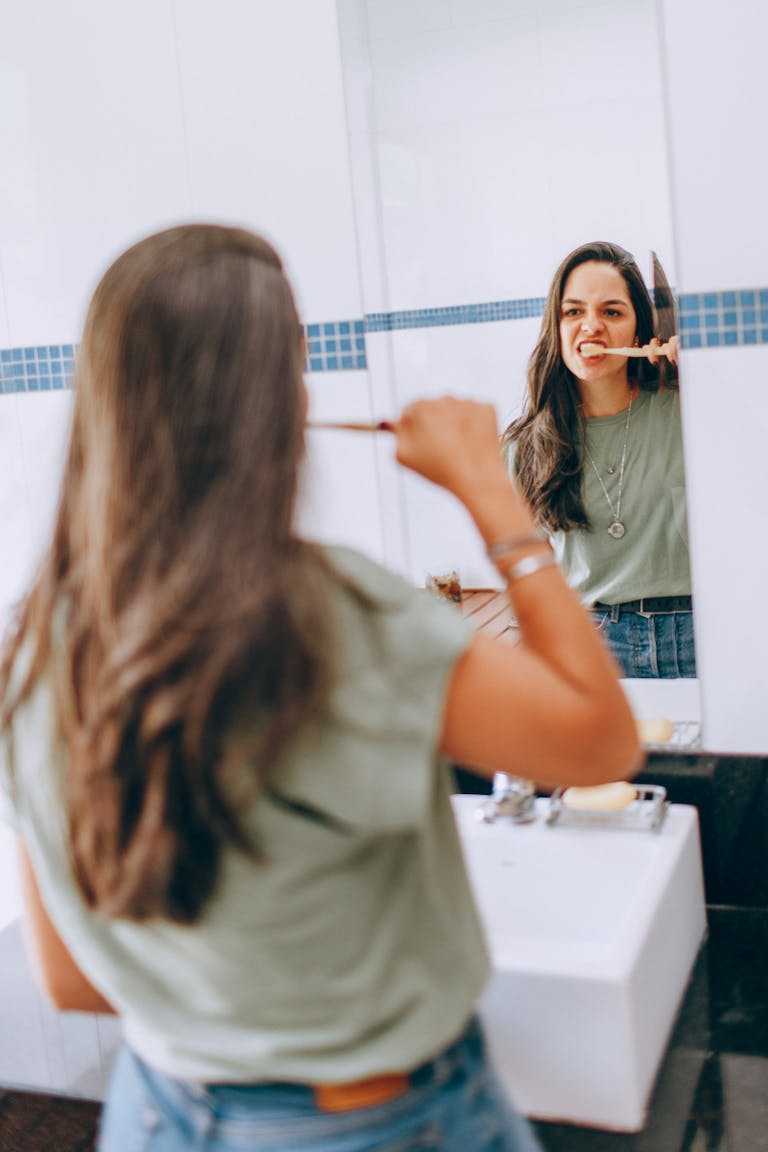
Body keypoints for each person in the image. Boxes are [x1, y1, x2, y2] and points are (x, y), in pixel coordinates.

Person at [0, 224, 639, 1152]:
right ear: (270, 402)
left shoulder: (29, 654)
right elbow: (600, 744)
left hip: (156, 1116)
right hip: (376, 1125)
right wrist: (488, 495)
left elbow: (70, 981)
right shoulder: (334, 620)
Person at [502, 240, 695, 679]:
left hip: (701, 633)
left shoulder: (689, 412)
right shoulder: (523, 448)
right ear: (556, 325)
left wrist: (710, 372)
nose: (591, 326)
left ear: (638, 331)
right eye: (574, 312)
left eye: (611, 312)